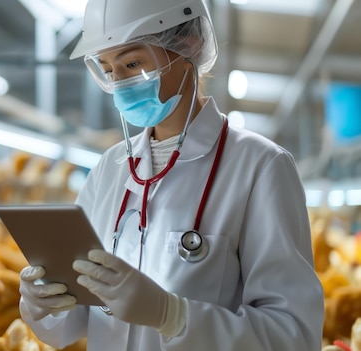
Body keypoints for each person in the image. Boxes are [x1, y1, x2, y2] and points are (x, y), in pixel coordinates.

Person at [18, 0, 325, 349]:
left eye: (133, 63)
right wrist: (45, 302)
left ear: (187, 47)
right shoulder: (109, 168)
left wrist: (172, 315)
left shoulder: (260, 166)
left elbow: (293, 336)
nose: (120, 83)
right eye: (108, 69)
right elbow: (72, 324)